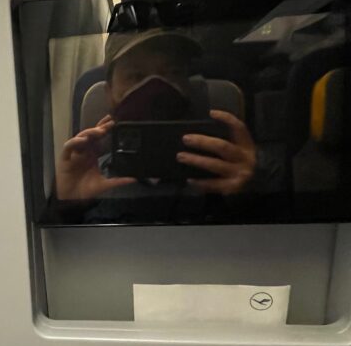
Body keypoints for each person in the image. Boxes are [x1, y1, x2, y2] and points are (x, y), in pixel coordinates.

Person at [55, 26, 257, 210]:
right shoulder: (90, 178)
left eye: (172, 72)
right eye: (135, 76)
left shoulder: (230, 171)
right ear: (109, 93)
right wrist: (69, 207)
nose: (156, 87)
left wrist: (250, 195)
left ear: (188, 86)